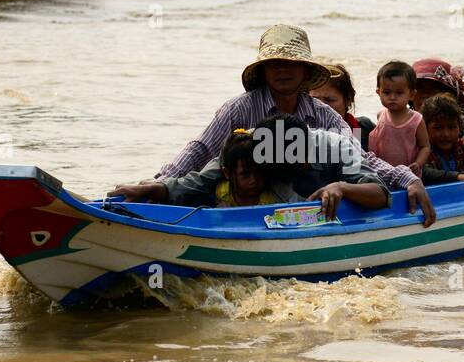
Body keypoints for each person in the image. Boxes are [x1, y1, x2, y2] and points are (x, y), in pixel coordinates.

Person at [143, 23, 436, 226]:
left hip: (300, 204)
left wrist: (405, 178)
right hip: (241, 201)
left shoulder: (325, 118)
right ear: (264, 70)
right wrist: (157, 184)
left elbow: (358, 158)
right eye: (275, 63)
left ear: (304, 70)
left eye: (291, 63)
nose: (283, 69)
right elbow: (202, 152)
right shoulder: (240, 109)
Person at [110, 114, 389, 220]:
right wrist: (153, 188)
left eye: (293, 166)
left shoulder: (338, 145)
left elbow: (380, 194)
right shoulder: (250, 144)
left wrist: (341, 187)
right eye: (274, 170)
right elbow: (196, 181)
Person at [369, 61, 431, 173]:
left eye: (399, 93)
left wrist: (418, 163)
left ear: (411, 95)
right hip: (383, 172)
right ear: (379, 93)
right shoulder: (380, 115)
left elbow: (425, 147)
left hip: (408, 173)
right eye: (387, 92)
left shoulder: (416, 120)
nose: (392, 97)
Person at [310, 63, 375, 149]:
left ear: (348, 99)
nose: (320, 106)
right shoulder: (301, 132)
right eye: (314, 100)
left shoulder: (362, 129)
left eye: (329, 100)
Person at [413, 58, 464, 136]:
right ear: (410, 94)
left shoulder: (462, 126)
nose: (426, 94)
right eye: (420, 87)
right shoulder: (402, 123)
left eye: (434, 89)